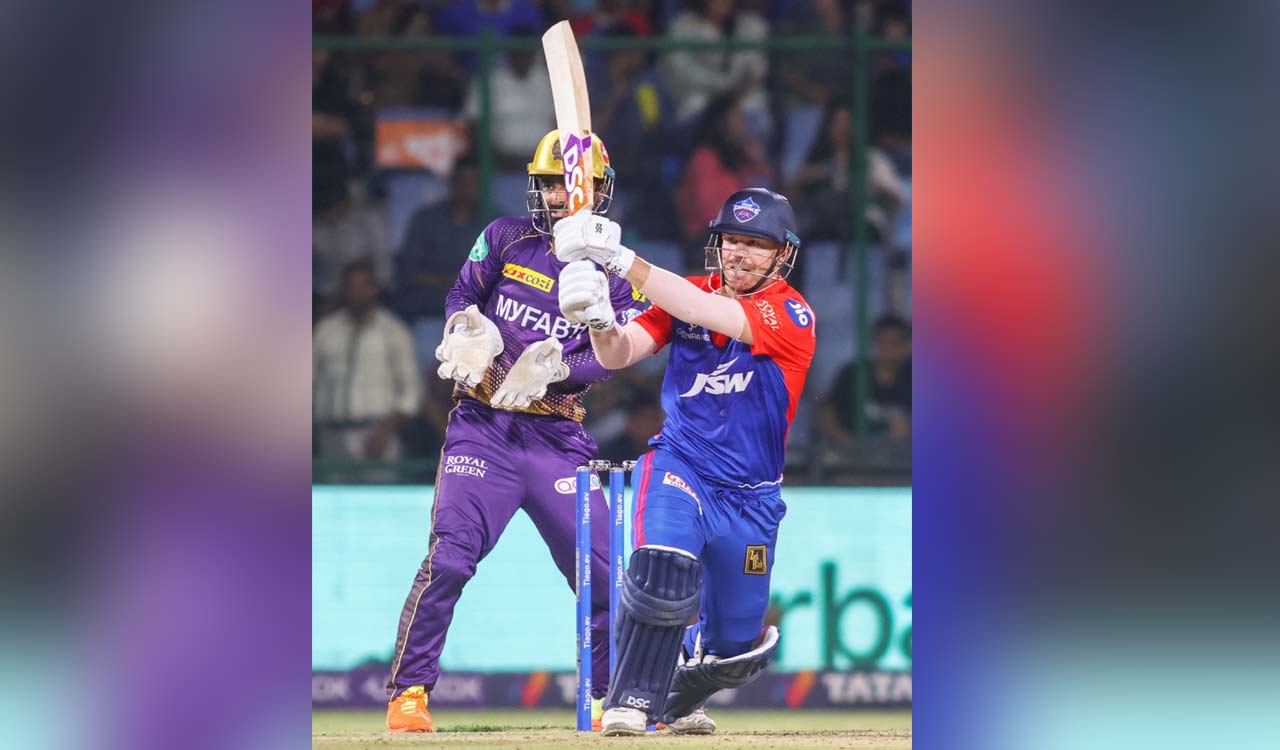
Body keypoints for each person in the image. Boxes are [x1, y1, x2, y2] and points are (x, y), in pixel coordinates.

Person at [384, 130, 647, 733]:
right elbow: (462, 294)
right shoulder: (506, 237)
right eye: (549, 184)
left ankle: (606, 697)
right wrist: (466, 328)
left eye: (570, 185)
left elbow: (615, 357)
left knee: (605, 575)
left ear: (598, 192)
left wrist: (557, 370)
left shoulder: (617, 272)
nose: (557, 196)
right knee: (450, 559)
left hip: (558, 439)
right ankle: (409, 693)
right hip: (483, 427)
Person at [552, 187, 816, 735]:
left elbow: (706, 312)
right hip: (682, 464)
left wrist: (619, 260)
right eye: (732, 240)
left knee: (735, 648)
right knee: (663, 565)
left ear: (782, 254)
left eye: (756, 244)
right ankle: (629, 699)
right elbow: (619, 353)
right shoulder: (687, 293)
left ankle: (677, 683)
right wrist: (600, 321)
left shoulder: (792, 314)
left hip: (752, 499)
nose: (740, 253)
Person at [313, 260, 422, 462]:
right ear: (342, 290)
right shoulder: (325, 331)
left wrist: (386, 430)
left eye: (363, 285)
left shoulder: (394, 331)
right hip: (331, 432)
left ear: (375, 289)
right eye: (350, 286)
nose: (357, 292)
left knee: (379, 483)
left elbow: (411, 391)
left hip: (378, 433)